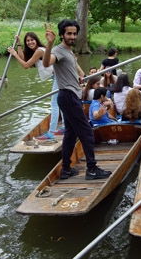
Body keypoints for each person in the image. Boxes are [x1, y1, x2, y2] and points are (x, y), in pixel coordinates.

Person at [42, 19, 112, 180]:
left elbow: (66, 72)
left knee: (70, 135)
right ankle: (92, 169)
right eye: (69, 33)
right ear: (61, 35)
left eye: (74, 33)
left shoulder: (69, 52)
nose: (72, 36)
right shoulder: (58, 50)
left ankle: (66, 169)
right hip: (67, 97)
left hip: (70, 95)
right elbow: (46, 63)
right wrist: (49, 44)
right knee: (87, 132)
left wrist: (78, 80)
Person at [7, 32, 64, 139]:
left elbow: (25, 65)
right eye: (27, 41)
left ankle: (51, 133)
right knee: (60, 102)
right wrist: (19, 44)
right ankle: (64, 126)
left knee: (55, 104)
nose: (30, 42)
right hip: (57, 76)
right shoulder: (36, 51)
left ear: (36, 40)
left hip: (59, 76)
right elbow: (23, 58)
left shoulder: (39, 51)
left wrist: (14, 54)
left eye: (32, 40)